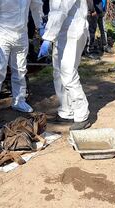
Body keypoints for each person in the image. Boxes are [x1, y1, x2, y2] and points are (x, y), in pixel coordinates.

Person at [0, 0, 44, 121]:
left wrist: (40, 25)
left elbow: (36, 6)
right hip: (1, 35)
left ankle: (19, 100)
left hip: (21, 34)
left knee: (20, 70)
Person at [38, 0, 91, 131]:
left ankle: (81, 115)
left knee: (68, 73)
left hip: (73, 32)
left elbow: (59, 10)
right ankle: (66, 111)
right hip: (62, 32)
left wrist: (47, 38)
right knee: (58, 73)